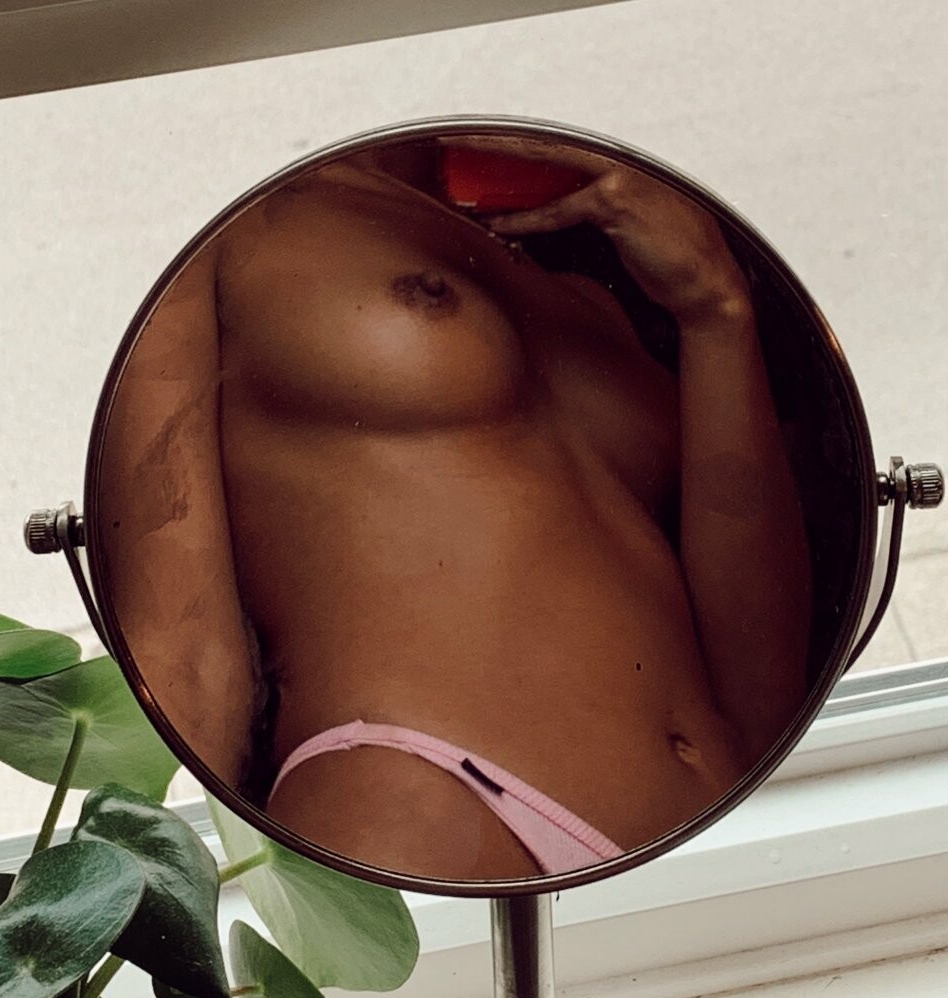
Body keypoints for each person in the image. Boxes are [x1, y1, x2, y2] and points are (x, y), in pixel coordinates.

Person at [97, 136, 812, 880]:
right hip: (420, 806)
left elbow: (765, 691)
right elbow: (180, 642)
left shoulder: (583, 276)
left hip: (712, 832)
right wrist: (161, 893)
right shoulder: (231, 223)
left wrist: (716, 307)